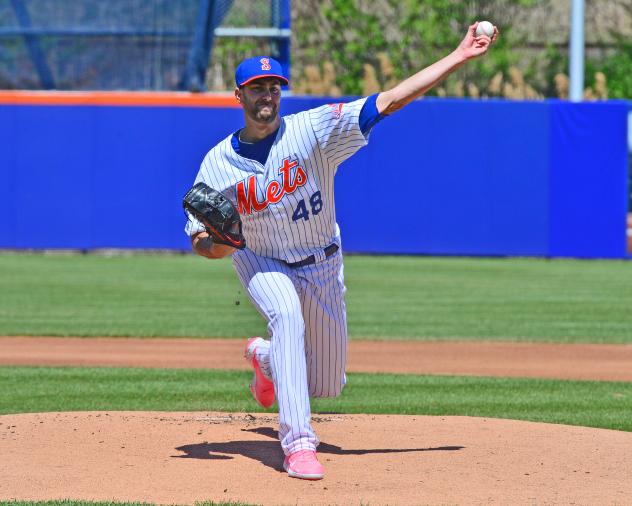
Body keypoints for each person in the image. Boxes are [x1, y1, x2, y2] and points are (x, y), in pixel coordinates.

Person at [185, 22, 498, 480]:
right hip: (261, 258)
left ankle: (267, 359)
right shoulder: (216, 163)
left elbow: (389, 100)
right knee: (287, 316)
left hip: (322, 262)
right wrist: (219, 245)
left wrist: (457, 56)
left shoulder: (314, 130)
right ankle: (298, 444)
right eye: (256, 88)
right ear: (239, 96)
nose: (266, 95)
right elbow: (200, 242)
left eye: (273, 86)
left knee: (325, 383)